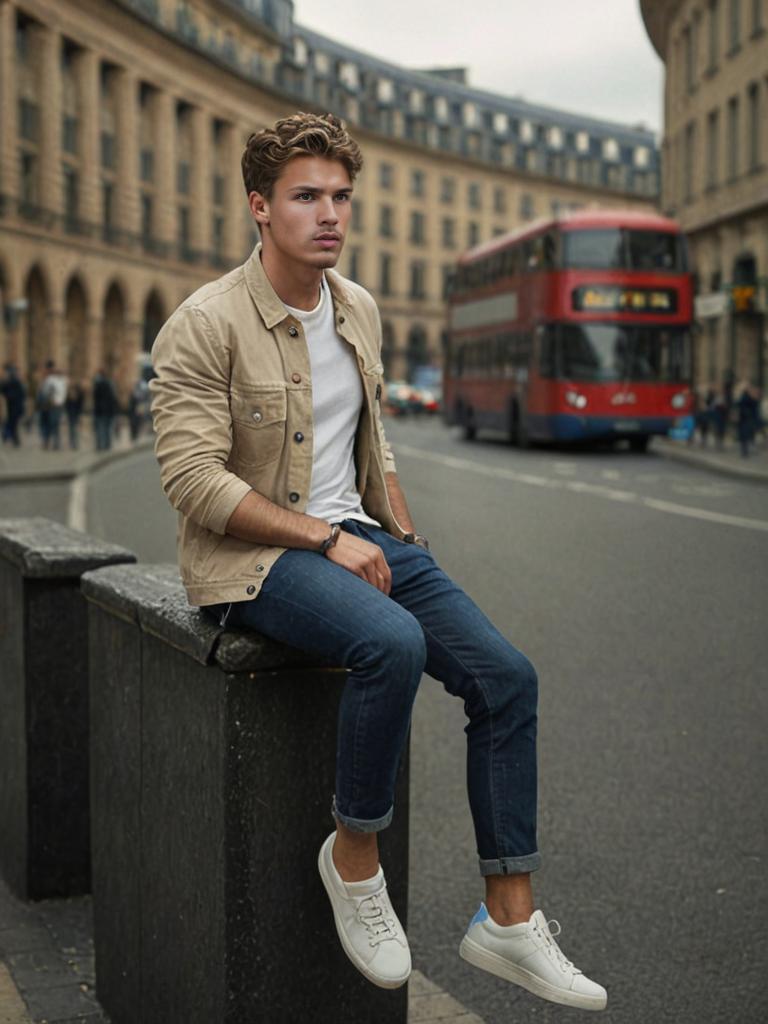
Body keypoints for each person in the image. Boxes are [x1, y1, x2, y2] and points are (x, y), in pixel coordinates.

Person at [150, 112, 606, 1012]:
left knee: (506, 677)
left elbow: (372, 443)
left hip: (361, 533)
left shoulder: (355, 306)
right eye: (306, 196)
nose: (330, 214)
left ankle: (508, 920)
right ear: (259, 206)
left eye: (341, 196)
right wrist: (324, 536)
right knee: (390, 644)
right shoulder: (205, 323)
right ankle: (353, 860)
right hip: (254, 563)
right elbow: (192, 482)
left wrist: (403, 537)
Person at [37, 360, 68, 450]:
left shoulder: (58, 380)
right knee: (49, 424)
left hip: (53, 405)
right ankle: (50, 442)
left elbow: (45, 391)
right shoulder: (51, 379)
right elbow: (43, 391)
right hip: (49, 405)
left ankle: (53, 443)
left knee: (53, 424)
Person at [1, 363, 26, 447]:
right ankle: (12, 438)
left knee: (12, 423)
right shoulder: (16, 382)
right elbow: (22, 394)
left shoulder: (8, 382)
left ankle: (9, 437)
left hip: (12, 407)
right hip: (14, 407)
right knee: (13, 424)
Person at [92, 368, 117, 450]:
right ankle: (107, 445)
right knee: (107, 429)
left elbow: (95, 397)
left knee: (100, 428)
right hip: (108, 411)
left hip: (100, 410)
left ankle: (100, 445)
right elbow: (113, 398)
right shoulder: (110, 384)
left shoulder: (98, 385)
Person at [735, 381, 759, 458]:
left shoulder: (749, 396)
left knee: (747, 434)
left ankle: (746, 450)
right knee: (744, 435)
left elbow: (755, 406)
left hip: (748, 418)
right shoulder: (743, 396)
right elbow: (739, 404)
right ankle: (744, 451)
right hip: (744, 418)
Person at [65, 380, 85, 450]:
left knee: (74, 429)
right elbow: (66, 403)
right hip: (71, 413)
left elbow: (81, 404)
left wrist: (80, 413)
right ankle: (72, 443)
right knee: (72, 429)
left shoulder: (79, 393)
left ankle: (75, 444)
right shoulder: (68, 393)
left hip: (75, 413)